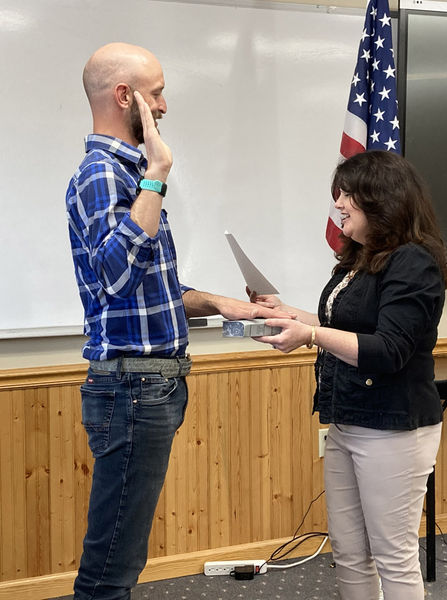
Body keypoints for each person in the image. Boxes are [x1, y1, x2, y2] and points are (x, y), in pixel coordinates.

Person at [66, 42, 291, 600]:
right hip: (132, 388)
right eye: (158, 92)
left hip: (148, 386)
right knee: (111, 566)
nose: (164, 106)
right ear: (126, 97)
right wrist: (158, 173)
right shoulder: (105, 175)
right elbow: (116, 274)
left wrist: (221, 304)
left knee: (121, 552)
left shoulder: (128, 175)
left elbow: (146, 289)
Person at [251, 150, 447, 600]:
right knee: (348, 551)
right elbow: (341, 326)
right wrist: (283, 312)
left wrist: (310, 335)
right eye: (338, 194)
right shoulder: (361, 258)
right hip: (347, 421)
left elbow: (388, 349)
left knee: (392, 555)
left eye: (349, 196)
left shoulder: (413, 262)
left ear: (383, 201)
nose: (338, 203)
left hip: (393, 428)